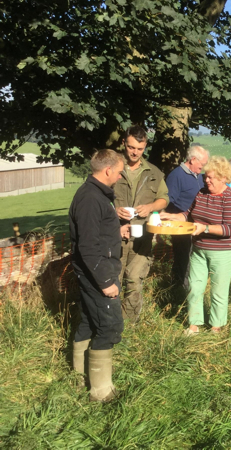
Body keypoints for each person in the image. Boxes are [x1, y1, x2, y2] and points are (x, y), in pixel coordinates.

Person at [69, 149, 131, 402]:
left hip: (95, 270)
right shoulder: (90, 199)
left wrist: (117, 232)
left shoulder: (95, 195)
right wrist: (106, 282)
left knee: (88, 320)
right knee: (110, 326)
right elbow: (88, 246)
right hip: (97, 273)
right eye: (118, 172)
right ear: (107, 171)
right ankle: (101, 391)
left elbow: (96, 234)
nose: (119, 177)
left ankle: (78, 374)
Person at [160, 156, 231, 334]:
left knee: (218, 291)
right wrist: (172, 216)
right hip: (199, 249)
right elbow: (188, 214)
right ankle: (194, 325)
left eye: (211, 177)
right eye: (205, 176)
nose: (206, 180)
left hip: (223, 252)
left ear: (222, 178)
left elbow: (230, 229)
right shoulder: (201, 192)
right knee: (195, 288)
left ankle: (216, 327)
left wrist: (205, 228)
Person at [114, 125, 169, 322]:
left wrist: (151, 206)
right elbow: (96, 198)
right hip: (114, 236)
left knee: (134, 281)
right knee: (113, 281)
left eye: (139, 148)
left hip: (142, 237)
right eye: (131, 147)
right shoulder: (112, 169)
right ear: (124, 144)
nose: (135, 152)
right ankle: (110, 325)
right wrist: (113, 211)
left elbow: (164, 198)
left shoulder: (153, 172)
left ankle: (129, 326)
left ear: (145, 146)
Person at [165, 143, 209, 290]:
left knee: (193, 256)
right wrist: (179, 216)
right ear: (193, 159)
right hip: (181, 225)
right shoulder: (176, 175)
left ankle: (190, 285)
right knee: (183, 256)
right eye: (201, 164)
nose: (202, 167)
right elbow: (169, 201)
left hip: (195, 224)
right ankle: (180, 288)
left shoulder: (198, 176)